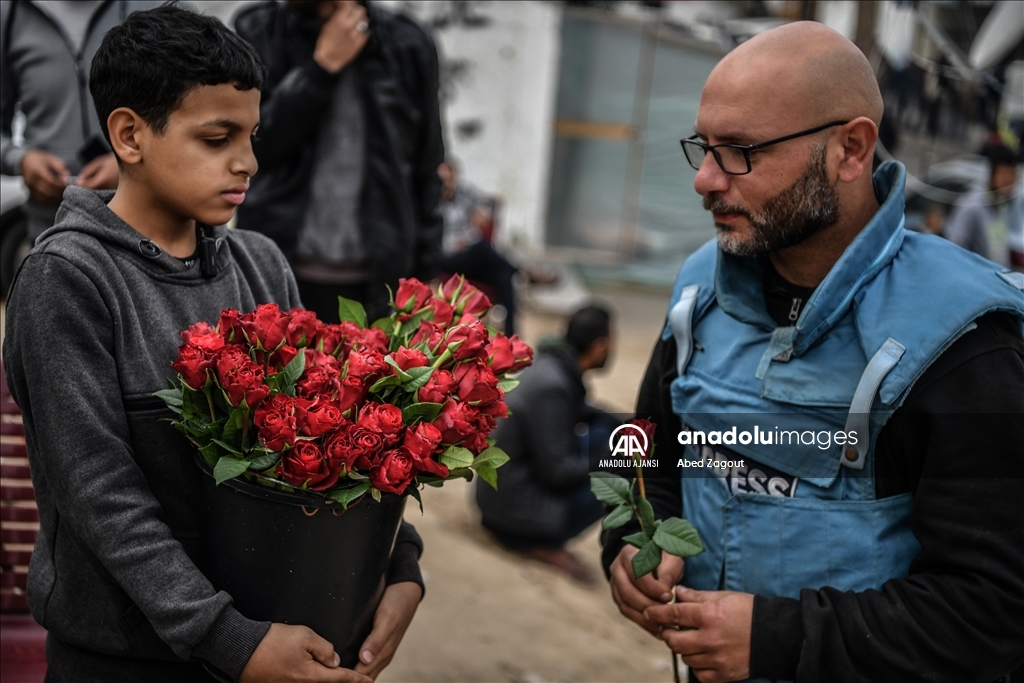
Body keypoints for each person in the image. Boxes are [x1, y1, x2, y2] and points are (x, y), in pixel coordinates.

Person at [2, 7, 422, 682]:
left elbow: (329, 448)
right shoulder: (68, 280)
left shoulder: (261, 265)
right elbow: (100, 495)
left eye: (252, 135)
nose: (248, 161)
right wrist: (227, 638)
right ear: (130, 135)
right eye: (218, 136)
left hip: (270, 643)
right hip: (122, 660)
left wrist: (399, 565)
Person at [602, 21, 1024, 683]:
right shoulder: (696, 294)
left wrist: (777, 638)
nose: (705, 179)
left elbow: (993, 609)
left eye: (740, 150)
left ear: (849, 150)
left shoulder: (961, 343)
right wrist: (627, 543)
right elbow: (639, 449)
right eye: (703, 147)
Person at [233, 0, 444, 324]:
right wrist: (321, 68)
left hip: (380, 283)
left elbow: (427, 165)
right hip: (278, 273)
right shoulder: (259, 30)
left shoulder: (406, 43)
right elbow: (252, 145)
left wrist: (427, 272)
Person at [0, 0, 162, 242]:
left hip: (149, 230)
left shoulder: (162, 5)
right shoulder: (9, 12)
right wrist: (21, 160)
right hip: (52, 231)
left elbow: (201, 119)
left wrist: (137, 165)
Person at [477, 305, 616, 583]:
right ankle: (544, 542)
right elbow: (559, 473)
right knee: (622, 465)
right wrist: (608, 456)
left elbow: (582, 411)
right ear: (600, 347)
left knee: (608, 432)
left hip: (498, 498)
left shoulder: (549, 364)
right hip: (513, 515)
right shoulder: (554, 387)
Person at [438, 159, 522, 334]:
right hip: (447, 257)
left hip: (470, 256)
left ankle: (510, 335)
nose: (446, 183)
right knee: (481, 248)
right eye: (442, 179)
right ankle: (521, 271)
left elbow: (489, 204)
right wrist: (455, 243)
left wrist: (482, 212)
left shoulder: (464, 195)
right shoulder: (431, 203)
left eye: (449, 178)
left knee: (504, 277)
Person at [946, 145, 1023, 268]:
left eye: (1012, 176)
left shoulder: (1000, 206)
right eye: (1004, 175)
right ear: (992, 175)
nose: (1009, 182)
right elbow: (955, 249)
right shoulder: (972, 206)